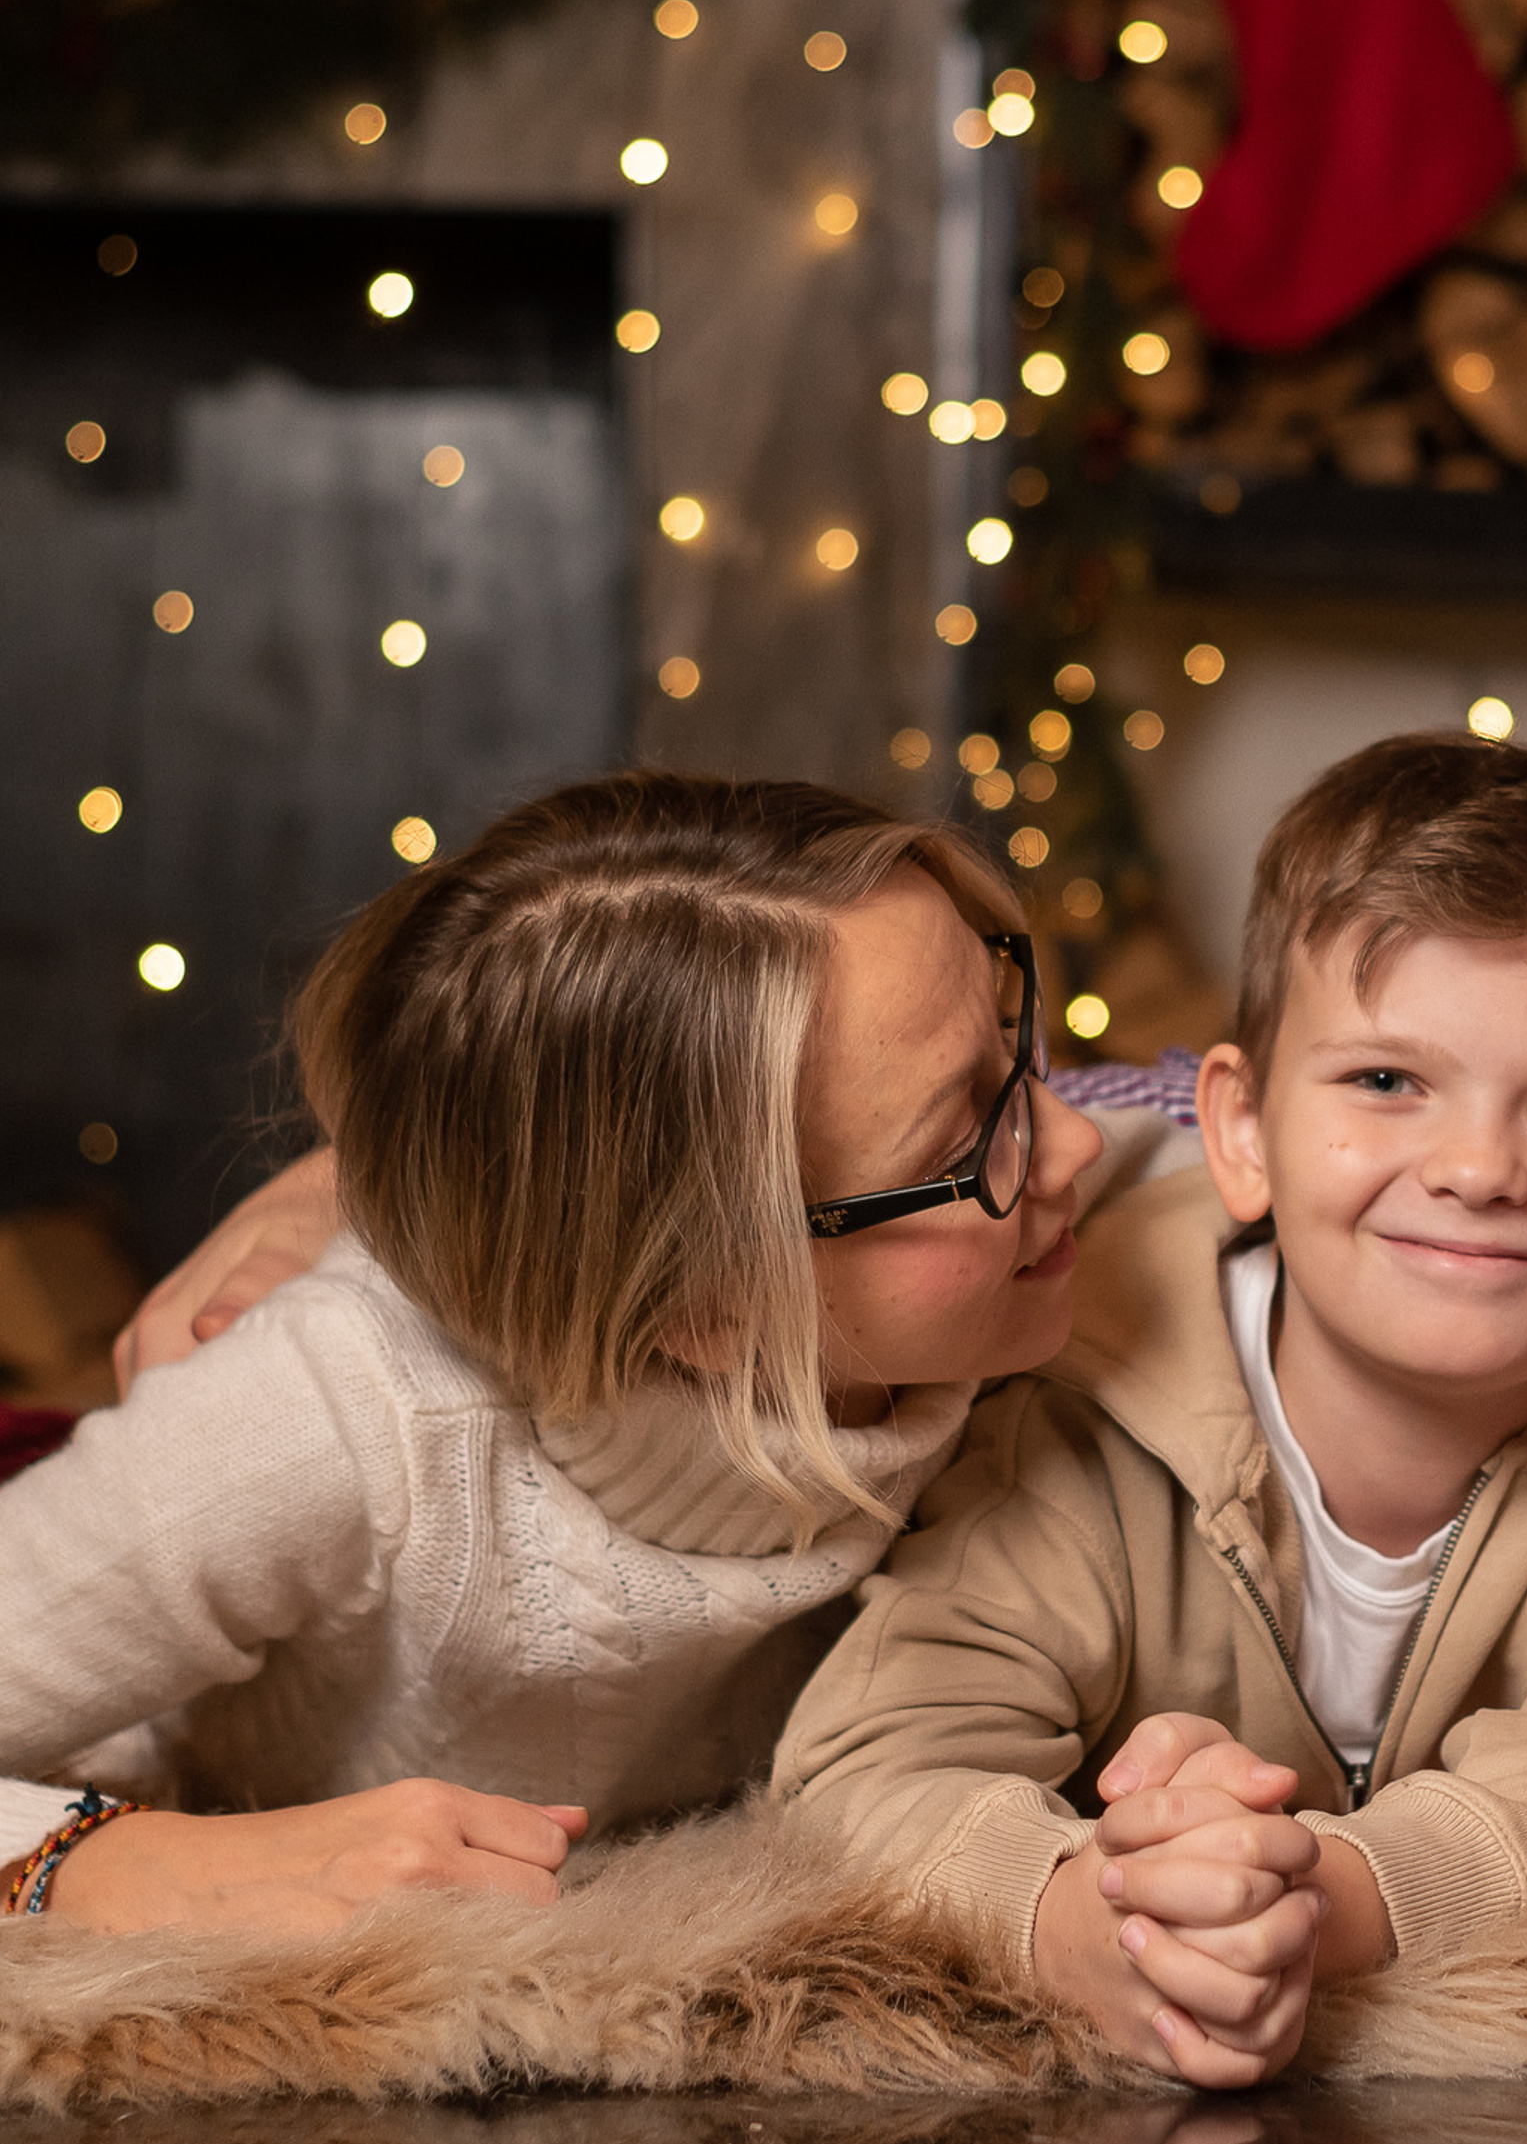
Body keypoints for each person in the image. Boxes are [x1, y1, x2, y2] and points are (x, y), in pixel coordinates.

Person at [774, 736, 1527, 2085]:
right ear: (1241, 1133)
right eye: (1387, 1082)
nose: (1474, 1171)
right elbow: (875, 1758)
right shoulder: (1091, 1349)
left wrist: (1309, 1904)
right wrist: (1090, 1919)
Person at [0, 772, 1132, 1934]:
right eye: (969, 1138)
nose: (1079, 1141)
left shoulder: (999, 1273)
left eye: (1014, 1038)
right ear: (702, 1307)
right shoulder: (333, 1414)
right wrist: (115, 1869)